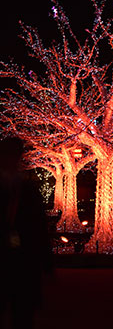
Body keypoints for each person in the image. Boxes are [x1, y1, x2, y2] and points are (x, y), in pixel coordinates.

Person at [1, 137, 53, 329]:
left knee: (22, 314)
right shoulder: (27, 187)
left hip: (23, 260)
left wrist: (46, 264)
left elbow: (39, 227)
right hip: (18, 259)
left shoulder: (28, 188)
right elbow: (39, 228)